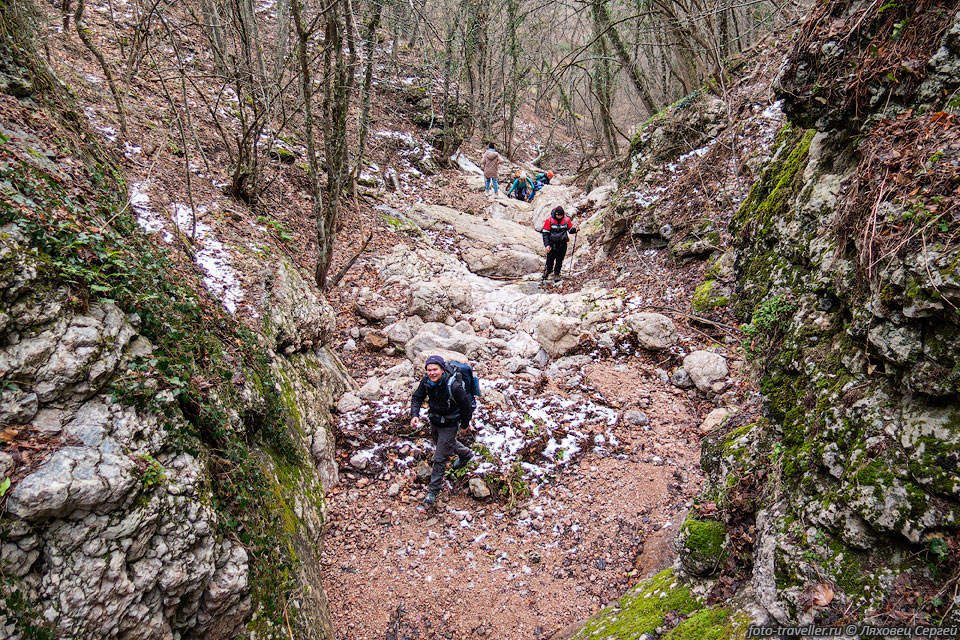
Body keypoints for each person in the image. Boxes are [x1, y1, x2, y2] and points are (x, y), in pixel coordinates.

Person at [410, 355, 475, 507]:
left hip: (450, 423)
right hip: (434, 420)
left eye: (435, 370)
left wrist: (465, 424)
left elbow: (467, 406)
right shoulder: (426, 381)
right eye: (429, 370)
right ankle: (466, 454)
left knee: (439, 458)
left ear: (442, 369)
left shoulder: (454, 386)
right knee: (443, 444)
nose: (432, 373)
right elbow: (417, 397)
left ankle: (432, 493)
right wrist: (414, 415)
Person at [541, 206, 577, 280]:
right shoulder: (549, 220)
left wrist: (575, 230)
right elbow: (545, 233)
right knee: (550, 259)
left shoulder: (566, 220)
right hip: (552, 243)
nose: (559, 217)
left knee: (560, 259)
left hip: (562, 243)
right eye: (558, 215)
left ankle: (557, 273)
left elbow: (570, 230)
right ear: (555, 214)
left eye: (561, 215)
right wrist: (547, 245)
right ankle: (548, 270)